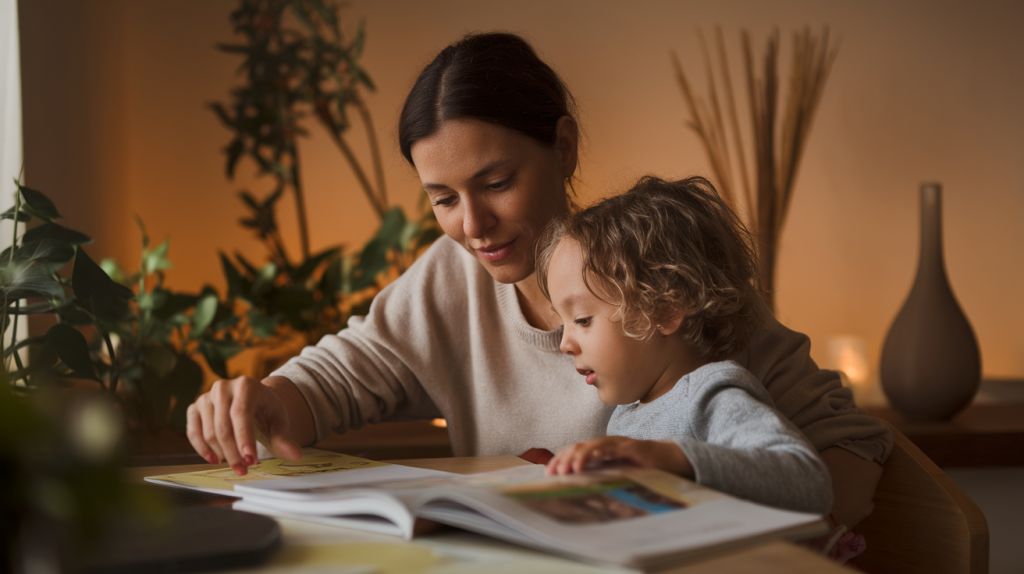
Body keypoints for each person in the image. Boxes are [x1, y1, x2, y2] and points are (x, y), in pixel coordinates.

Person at [186, 32, 891, 527]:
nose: (473, 225)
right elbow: (339, 378)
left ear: (563, 147)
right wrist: (265, 402)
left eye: (496, 182)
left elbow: (842, 450)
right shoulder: (449, 282)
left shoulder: (657, 280)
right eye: (442, 199)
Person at [538, 175, 832, 514]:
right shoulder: (629, 413)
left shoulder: (707, 395)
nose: (565, 344)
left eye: (583, 320)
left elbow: (808, 481)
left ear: (665, 309)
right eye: (564, 324)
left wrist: (672, 458)